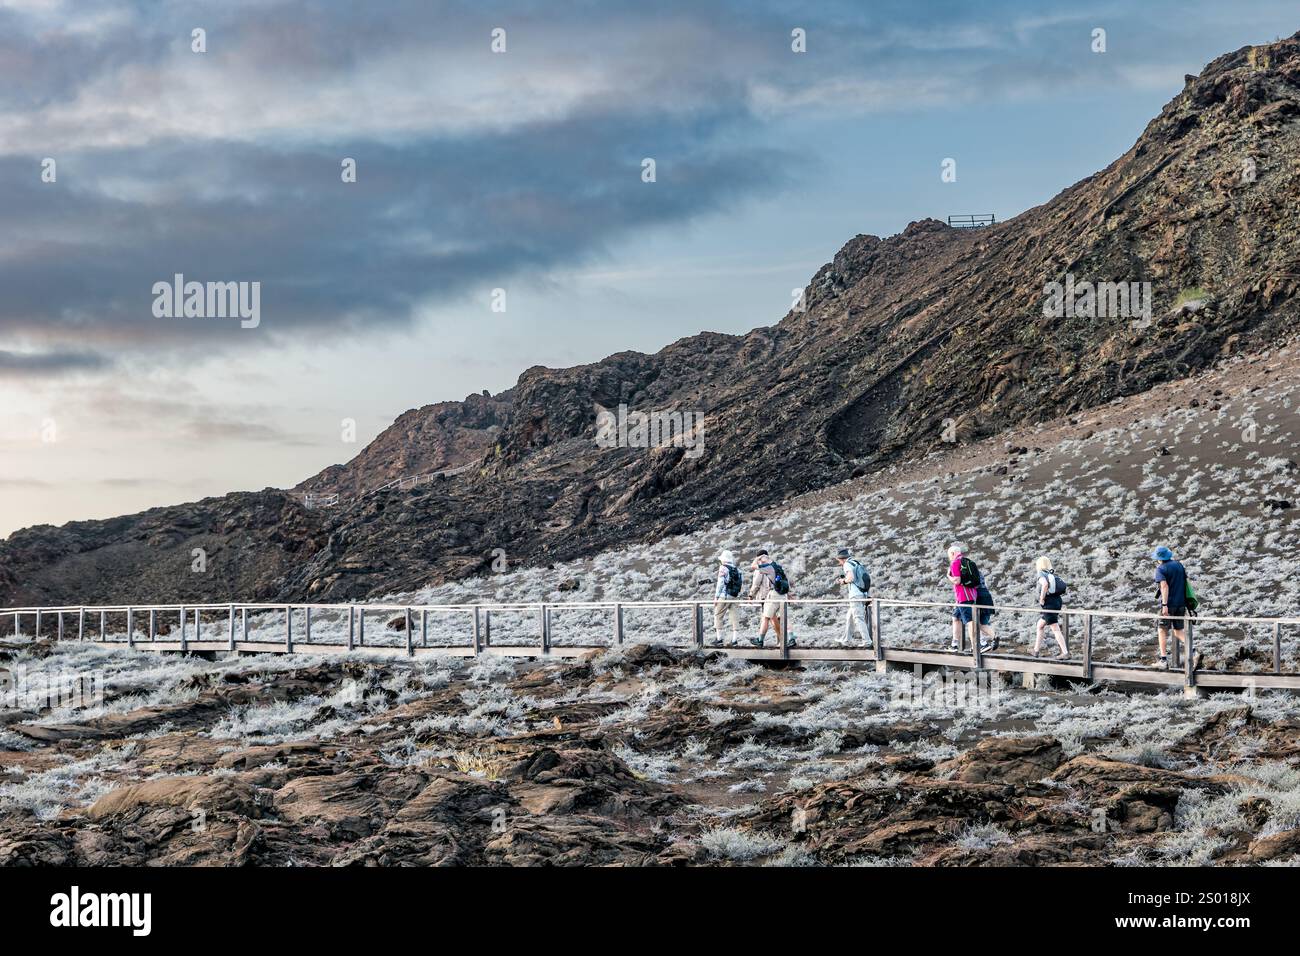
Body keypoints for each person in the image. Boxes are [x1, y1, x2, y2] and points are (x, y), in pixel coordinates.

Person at [945, 543, 996, 651]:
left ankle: (982, 643)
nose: (949, 557)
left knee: (970, 622)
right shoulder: (967, 562)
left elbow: (957, 580)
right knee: (955, 617)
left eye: (949, 555)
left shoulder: (955, 563)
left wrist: (949, 576)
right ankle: (954, 644)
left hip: (964, 598)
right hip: (970, 596)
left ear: (953, 553)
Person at [1152, 546, 1190, 668]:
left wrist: (1164, 605)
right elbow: (1185, 583)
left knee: (1162, 629)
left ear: (1159, 558)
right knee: (1178, 631)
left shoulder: (1161, 569)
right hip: (1181, 604)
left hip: (1169, 605)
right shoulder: (1179, 565)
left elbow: (1164, 586)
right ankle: (1194, 651)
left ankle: (1163, 660)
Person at [749, 549, 794, 648]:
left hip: (772, 595)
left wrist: (757, 559)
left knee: (766, 617)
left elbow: (752, 566)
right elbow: (786, 580)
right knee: (783, 617)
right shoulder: (778, 567)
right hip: (782, 595)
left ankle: (760, 641)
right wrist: (789, 594)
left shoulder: (768, 567)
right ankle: (792, 638)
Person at [1033, 556, 1069, 659]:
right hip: (1057, 601)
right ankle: (1035, 651)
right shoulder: (1050, 573)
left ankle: (1065, 653)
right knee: (1040, 625)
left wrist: (1041, 598)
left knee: (1055, 629)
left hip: (1049, 603)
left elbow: (1044, 585)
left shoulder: (1041, 573)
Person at [835, 548, 872, 643]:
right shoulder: (856, 563)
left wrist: (843, 581)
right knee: (849, 617)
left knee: (858, 618)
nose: (839, 562)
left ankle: (867, 641)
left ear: (841, 558)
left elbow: (850, 578)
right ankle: (846, 639)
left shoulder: (847, 564)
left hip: (855, 595)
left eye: (838, 560)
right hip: (862, 593)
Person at [710, 549, 743, 646]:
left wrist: (716, 597)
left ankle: (719, 639)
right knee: (734, 617)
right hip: (735, 596)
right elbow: (741, 582)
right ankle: (734, 640)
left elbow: (720, 584)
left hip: (724, 596)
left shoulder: (723, 568)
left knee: (718, 615)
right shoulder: (738, 570)